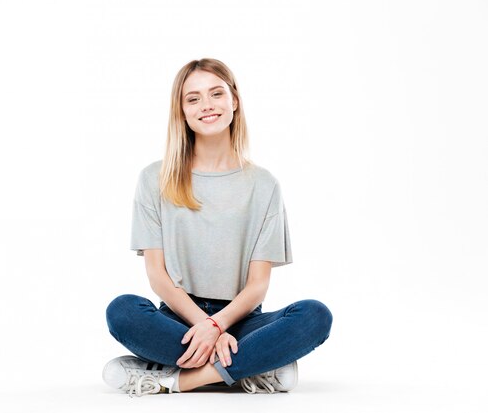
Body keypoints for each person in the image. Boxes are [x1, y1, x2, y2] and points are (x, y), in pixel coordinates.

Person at [103, 58, 332, 397]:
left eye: (216, 94)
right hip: (180, 320)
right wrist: (204, 325)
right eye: (193, 99)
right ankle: (250, 369)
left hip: (241, 322)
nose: (206, 105)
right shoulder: (154, 178)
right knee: (122, 310)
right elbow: (157, 275)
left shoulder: (263, 184)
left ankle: (178, 379)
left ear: (234, 101)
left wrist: (218, 325)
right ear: (181, 111)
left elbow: (258, 285)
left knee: (315, 316)